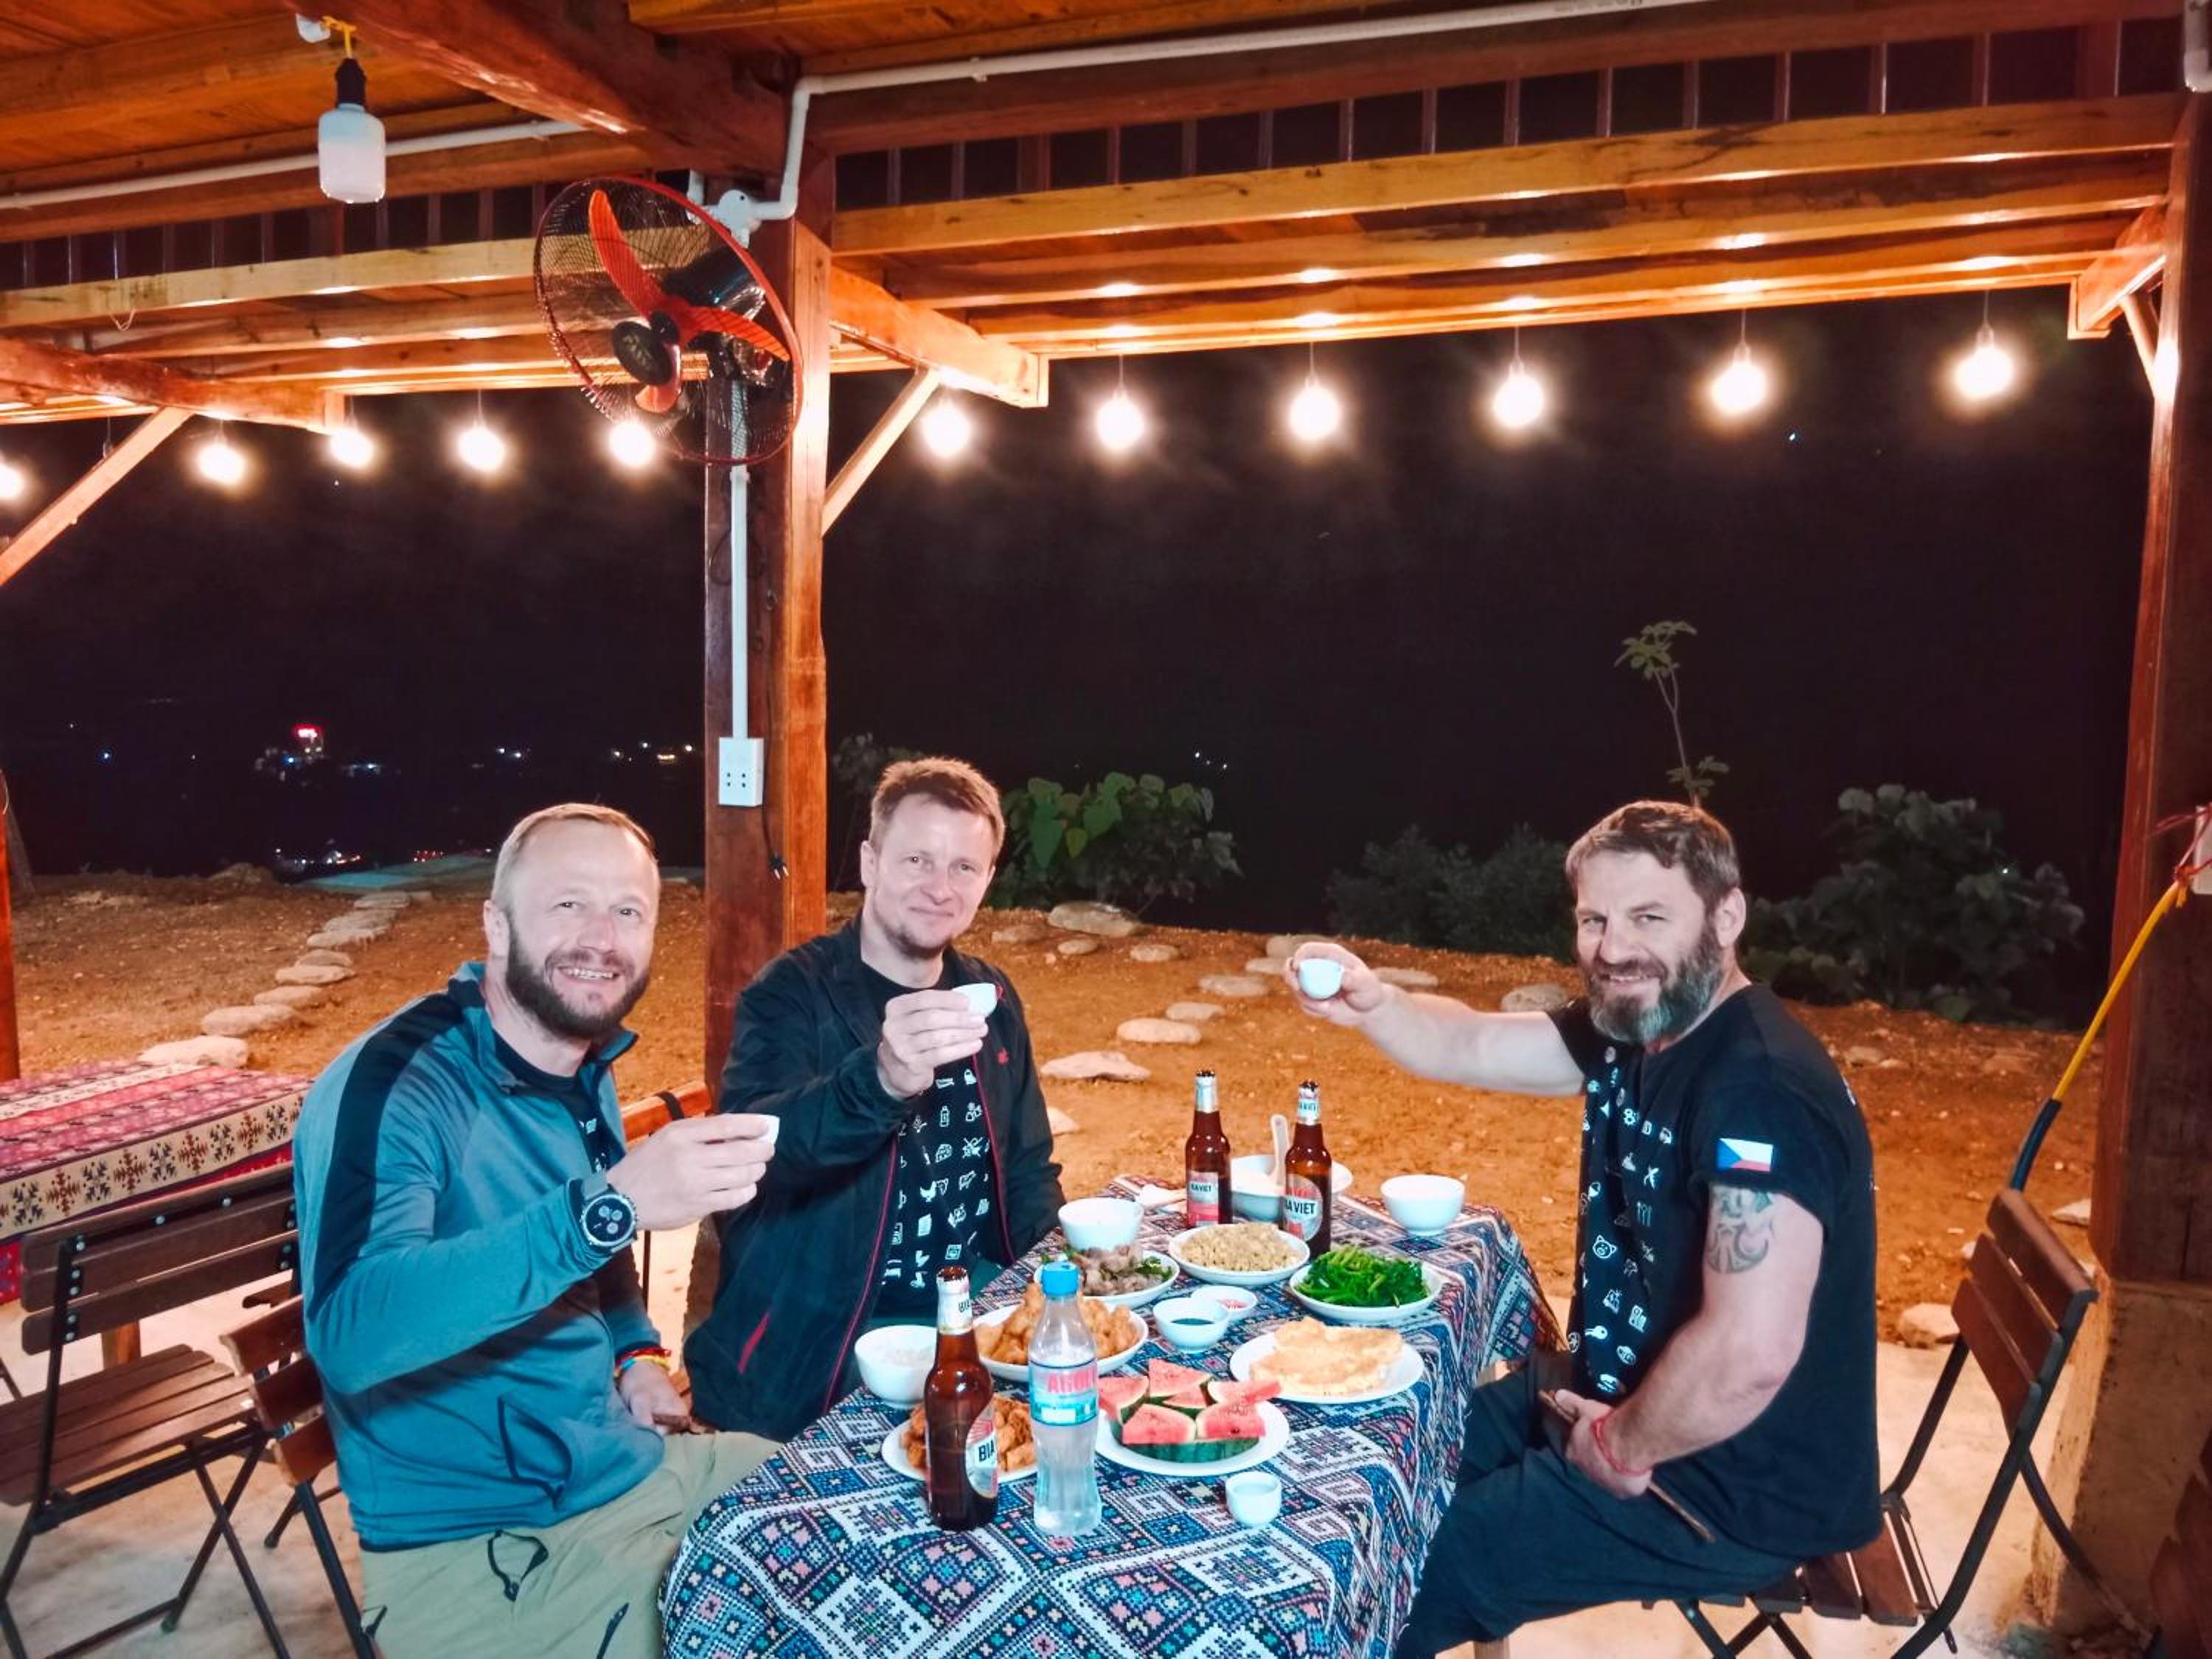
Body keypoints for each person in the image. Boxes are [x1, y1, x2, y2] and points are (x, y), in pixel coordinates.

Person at [1285, 800, 1879, 1655]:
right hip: (1615, 1392)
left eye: (1649, 918)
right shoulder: (1641, 1027)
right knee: (1378, 1459)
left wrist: (1620, 1445)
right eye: (1595, 919)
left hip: (1726, 1482)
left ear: (1727, 917)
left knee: (1382, 1581)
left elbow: (1748, 1353)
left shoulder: (1760, 1091)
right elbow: (1470, 1045)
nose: (1613, 948)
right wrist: (1375, 1005)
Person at [293, 804, 781, 1659]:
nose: (601, 938)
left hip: (628, 1466)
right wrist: (610, 1205)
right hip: (481, 1549)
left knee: (873, 1517)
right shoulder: (399, 1085)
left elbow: (595, 1246)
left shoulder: (578, 1064)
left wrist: (636, 1352)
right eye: (567, 904)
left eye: (628, 910)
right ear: (496, 924)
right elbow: (353, 1333)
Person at [686, 757, 1064, 1438]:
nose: (940, 888)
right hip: (834, 1334)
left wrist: (1057, 1288)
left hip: (976, 1309)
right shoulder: (791, 995)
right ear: (869, 861)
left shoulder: (990, 997)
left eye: (964, 867)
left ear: (986, 881)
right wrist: (882, 1079)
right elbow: (756, 1154)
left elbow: (1029, 1167)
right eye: (917, 860)